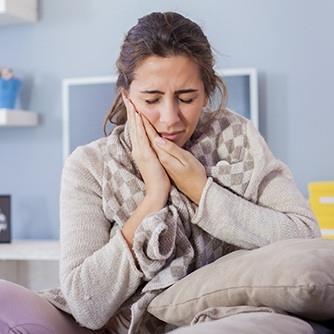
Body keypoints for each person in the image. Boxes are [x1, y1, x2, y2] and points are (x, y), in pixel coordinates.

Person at [0, 11, 322, 334]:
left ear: (206, 94)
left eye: (186, 98)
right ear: (126, 98)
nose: (170, 119)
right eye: (151, 99)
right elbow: (86, 305)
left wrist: (202, 191)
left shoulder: (237, 141)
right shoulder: (89, 166)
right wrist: (155, 196)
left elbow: (305, 235)